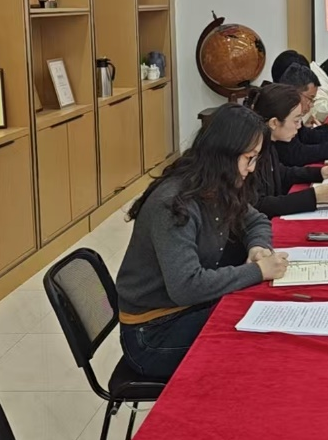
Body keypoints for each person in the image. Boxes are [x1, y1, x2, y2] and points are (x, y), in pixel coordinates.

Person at [117, 104, 289, 379]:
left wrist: (258, 247)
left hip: (187, 310)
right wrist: (258, 271)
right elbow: (187, 286)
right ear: (224, 154)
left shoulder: (216, 184)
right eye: (249, 158)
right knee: (261, 342)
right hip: (153, 334)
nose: (252, 168)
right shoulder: (173, 204)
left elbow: (256, 220)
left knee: (264, 320)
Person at [246, 84, 328, 216]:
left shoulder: (269, 143)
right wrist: (313, 197)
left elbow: (281, 173)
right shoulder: (249, 151)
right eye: (296, 120)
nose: (299, 127)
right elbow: (258, 205)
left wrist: (321, 172)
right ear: (274, 123)